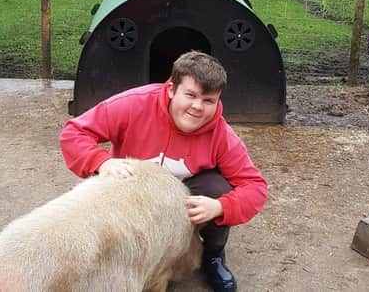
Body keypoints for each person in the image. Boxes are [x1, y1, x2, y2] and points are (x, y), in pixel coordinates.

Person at [59, 51, 268, 292]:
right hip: (131, 192)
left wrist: (221, 207)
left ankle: (212, 255)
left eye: (209, 100)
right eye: (190, 95)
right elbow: (73, 133)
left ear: (218, 100)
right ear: (171, 89)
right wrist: (101, 161)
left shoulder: (221, 135)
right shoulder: (133, 104)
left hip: (183, 199)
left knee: (217, 190)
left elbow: (255, 186)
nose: (198, 107)